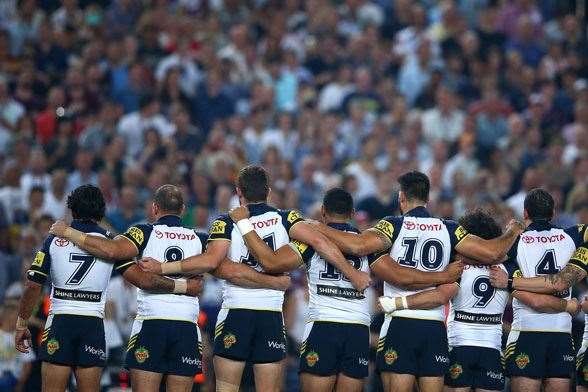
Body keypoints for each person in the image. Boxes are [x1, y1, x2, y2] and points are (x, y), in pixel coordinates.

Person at [139, 166, 371, 392]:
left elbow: (211, 262)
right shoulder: (287, 218)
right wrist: (352, 274)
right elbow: (321, 242)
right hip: (270, 315)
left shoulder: (225, 222)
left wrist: (162, 266)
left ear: (238, 192)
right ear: (268, 192)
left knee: (226, 388)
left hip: (236, 311)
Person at [49, 184, 289, 392]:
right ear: (183, 210)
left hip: (150, 324)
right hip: (185, 328)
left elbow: (111, 250)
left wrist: (67, 231)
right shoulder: (201, 238)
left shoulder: (143, 231)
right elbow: (232, 271)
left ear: (154, 208)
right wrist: (273, 281)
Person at [227, 187, 463, 392]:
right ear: (351, 214)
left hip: (323, 327)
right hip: (357, 331)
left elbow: (274, 262)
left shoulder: (309, 242)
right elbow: (405, 276)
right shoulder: (369, 244)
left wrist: (247, 231)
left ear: (322, 212)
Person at [312, 171, 524, 392]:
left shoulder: (392, 225)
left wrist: (318, 228)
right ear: (428, 199)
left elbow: (357, 246)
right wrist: (512, 231)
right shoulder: (449, 228)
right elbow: (492, 253)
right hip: (434, 329)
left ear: (401, 197)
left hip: (400, 325)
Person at [15, 184, 203, 392]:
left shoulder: (55, 240)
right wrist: (184, 285)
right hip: (93, 325)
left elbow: (33, 285)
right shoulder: (110, 243)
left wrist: (22, 324)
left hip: (60, 322)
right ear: (101, 211)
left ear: (72, 210)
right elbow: (144, 280)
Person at [380, 209, 580, 392]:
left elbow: (439, 296)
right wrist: (566, 305)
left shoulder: (456, 268)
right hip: (491, 351)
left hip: (458, 347)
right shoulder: (506, 271)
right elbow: (536, 301)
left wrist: (397, 303)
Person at [487, 189, 588, 392]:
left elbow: (492, 254)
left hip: (527, 333)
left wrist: (509, 281)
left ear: (525, 213)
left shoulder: (515, 244)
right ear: (553, 213)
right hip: (561, 334)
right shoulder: (574, 235)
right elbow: (560, 282)